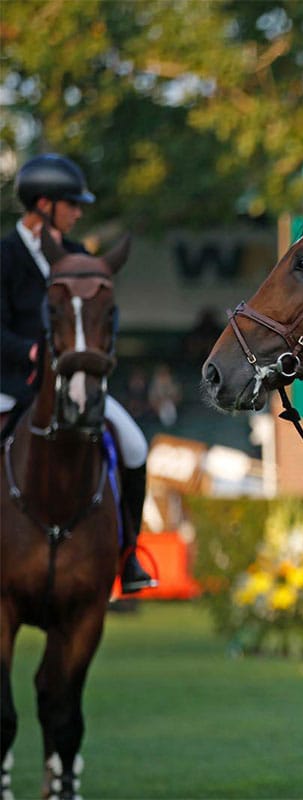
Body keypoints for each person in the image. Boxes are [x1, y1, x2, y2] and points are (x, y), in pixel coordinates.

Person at [1, 154, 156, 593]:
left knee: (134, 444)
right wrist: (29, 351)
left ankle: (129, 554)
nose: (79, 212)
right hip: (11, 384)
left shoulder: (79, 257)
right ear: (44, 204)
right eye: (72, 203)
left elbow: (104, 315)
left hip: (74, 384)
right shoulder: (5, 256)